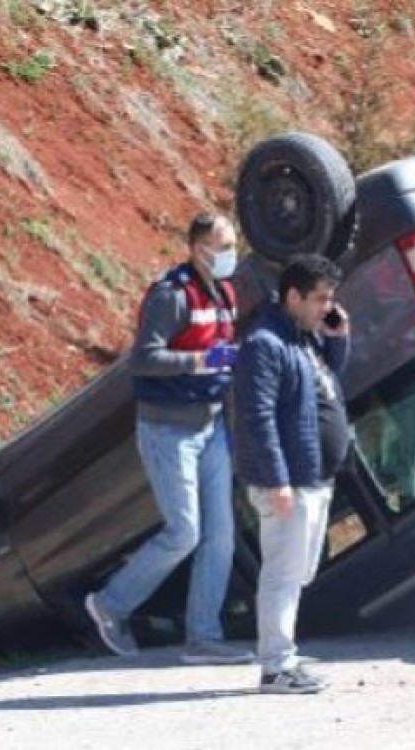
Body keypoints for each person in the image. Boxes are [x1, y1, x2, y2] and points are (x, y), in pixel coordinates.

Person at [84, 212, 254, 666]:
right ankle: (108, 605)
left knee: (220, 537)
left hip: (211, 426)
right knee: (184, 532)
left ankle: (203, 639)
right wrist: (200, 361)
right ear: (198, 250)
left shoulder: (225, 293)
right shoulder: (170, 294)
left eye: (233, 245)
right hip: (168, 430)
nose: (230, 255)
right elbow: (143, 358)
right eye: (223, 247)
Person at [233, 254, 352, 694]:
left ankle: (283, 660)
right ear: (293, 296)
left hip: (315, 477)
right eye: (319, 298)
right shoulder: (265, 344)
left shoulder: (305, 339)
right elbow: (258, 417)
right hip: (290, 482)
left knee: (296, 573)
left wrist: (338, 339)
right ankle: (276, 668)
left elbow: (329, 386)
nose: (327, 307)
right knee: (283, 574)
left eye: (330, 299)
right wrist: (278, 479)